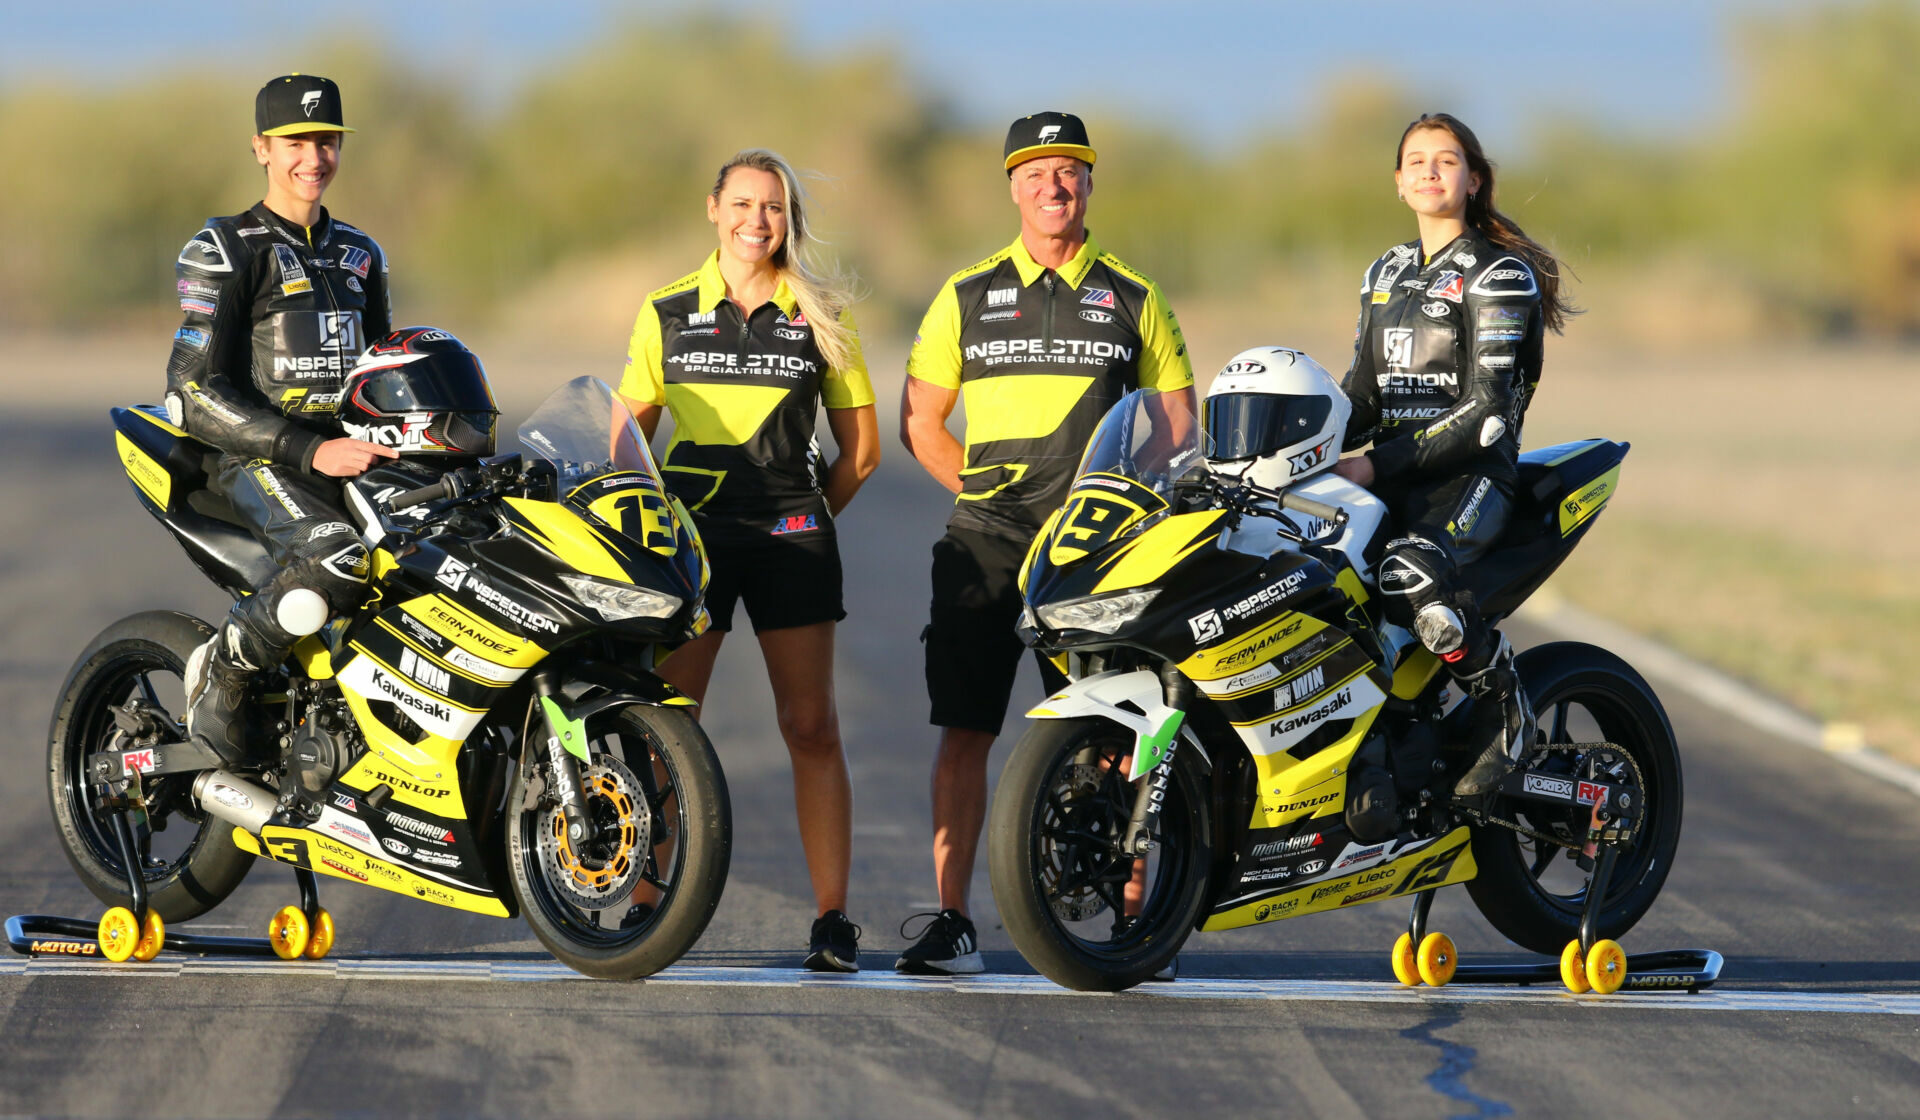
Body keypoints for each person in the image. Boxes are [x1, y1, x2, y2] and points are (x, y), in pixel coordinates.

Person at [897, 112, 1196, 974]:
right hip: (987, 540)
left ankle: (1137, 923)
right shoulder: (966, 292)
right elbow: (922, 418)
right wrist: (976, 489)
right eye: (1035, 174)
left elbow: (1178, 428)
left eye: (1068, 172)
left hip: (1101, 547)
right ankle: (954, 925)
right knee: (965, 729)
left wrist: (1134, 504)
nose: (1052, 187)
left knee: (1121, 730)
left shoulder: (1136, 295)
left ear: (1090, 184)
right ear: (1012, 187)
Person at [617, 149, 880, 972]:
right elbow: (626, 443)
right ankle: (646, 899)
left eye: (773, 207)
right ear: (713, 208)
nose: (756, 221)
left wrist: (799, 522)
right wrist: (654, 529)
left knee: (812, 727)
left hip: (792, 542)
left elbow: (861, 452)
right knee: (670, 727)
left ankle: (832, 920)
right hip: (690, 546)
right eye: (743, 203)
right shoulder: (665, 311)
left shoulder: (822, 312)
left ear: (788, 219)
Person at [1331, 112, 1577, 796]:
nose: (1430, 170)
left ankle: (1507, 710)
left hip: (1472, 478)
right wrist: (1295, 445)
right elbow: (1361, 394)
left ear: (1473, 179)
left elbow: (1488, 412)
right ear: (1399, 183)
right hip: (1391, 473)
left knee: (1410, 574)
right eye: (1416, 160)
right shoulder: (1384, 271)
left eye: (1446, 160)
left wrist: (1371, 464)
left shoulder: (1501, 277)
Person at [176, 74, 398, 765]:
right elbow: (190, 391)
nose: (315, 156)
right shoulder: (227, 246)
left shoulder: (362, 253)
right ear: (262, 149)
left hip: (354, 454)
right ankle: (226, 673)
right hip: (255, 461)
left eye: (327, 140)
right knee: (339, 557)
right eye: (297, 141)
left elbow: (386, 370)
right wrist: (306, 451)